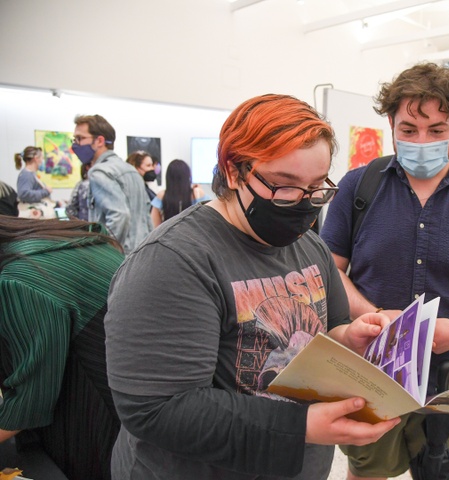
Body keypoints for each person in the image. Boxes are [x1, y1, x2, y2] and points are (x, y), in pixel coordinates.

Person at [104, 94, 399, 480]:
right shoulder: (173, 261)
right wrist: (303, 425)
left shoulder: (309, 245)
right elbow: (156, 408)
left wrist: (352, 337)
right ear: (232, 171)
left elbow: (331, 329)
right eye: (283, 185)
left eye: (315, 187)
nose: (302, 204)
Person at [320, 62, 449, 480]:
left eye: (437, 130)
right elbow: (330, 271)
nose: (421, 141)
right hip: (372, 372)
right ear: (390, 125)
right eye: (409, 130)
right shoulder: (360, 187)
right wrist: (370, 313)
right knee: (367, 470)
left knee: (442, 471)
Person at [0, 216, 124, 479]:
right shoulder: (53, 237)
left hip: (103, 414)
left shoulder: (18, 279)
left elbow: (32, 400)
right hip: (135, 399)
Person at [72, 114, 152, 253]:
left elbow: (119, 215)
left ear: (100, 141)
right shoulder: (131, 170)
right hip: (141, 254)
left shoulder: (99, 172)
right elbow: (146, 215)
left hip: (120, 258)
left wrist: (103, 253)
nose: (75, 144)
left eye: (80, 138)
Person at [150, 159, 209, 227]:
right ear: (188, 176)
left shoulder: (161, 195)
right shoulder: (197, 194)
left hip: (168, 236)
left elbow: (155, 226)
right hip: (193, 236)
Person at [14, 146, 54, 217]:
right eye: (41, 157)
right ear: (36, 158)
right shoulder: (26, 175)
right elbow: (24, 194)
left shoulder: (31, 174)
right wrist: (45, 191)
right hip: (31, 216)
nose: (42, 160)